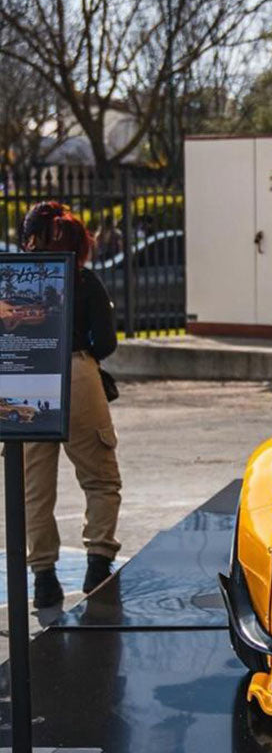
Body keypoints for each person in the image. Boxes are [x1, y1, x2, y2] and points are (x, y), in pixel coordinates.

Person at [18, 202, 122, 607]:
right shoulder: (82, 278)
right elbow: (106, 342)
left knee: (35, 487)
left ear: (30, 239)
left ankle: (44, 577)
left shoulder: (13, 280)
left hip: (28, 374)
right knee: (100, 477)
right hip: (77, 370)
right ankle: (97, 565)